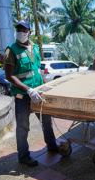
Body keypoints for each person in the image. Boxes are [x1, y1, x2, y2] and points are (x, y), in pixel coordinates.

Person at [4, 20, 58, 166]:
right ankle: (23, 157)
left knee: (46, 121)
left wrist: (48, 85)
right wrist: (28, 89)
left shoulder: (34, 47)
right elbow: (9, 76)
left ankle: (52, 145)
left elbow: (38, 70)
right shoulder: (11, 50)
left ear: (29, 32)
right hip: (23, 95)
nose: (21, 32)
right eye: (18, 30)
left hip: (38, 92)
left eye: (24, 29)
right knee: (23, 127)